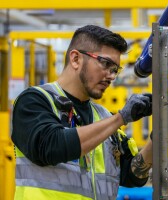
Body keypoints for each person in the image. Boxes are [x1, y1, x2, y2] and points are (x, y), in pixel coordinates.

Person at [11, 25, 153, 200]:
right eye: (106, 63)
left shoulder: (103, 117)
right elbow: (50, 147)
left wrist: (161, 133)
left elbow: (132, 175)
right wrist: (121, 118)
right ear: (76, 59)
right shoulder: (35, 101)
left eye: (115, 69)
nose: (111, 76)